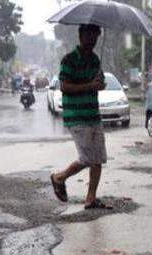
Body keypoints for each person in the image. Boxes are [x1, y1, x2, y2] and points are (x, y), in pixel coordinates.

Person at [50, 24, 111, 210]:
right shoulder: (68, 60)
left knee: (99, 158)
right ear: (80, 35)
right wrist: (90, 86)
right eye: (89, 35)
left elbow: (97, 84)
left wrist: (100, 84)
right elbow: (65, 87)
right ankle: (59, 177)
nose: (92, 40)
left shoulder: (94, 59)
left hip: (93, 114)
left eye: (95, 36)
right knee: (87, 158)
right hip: (76, 116)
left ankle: (91, 198)